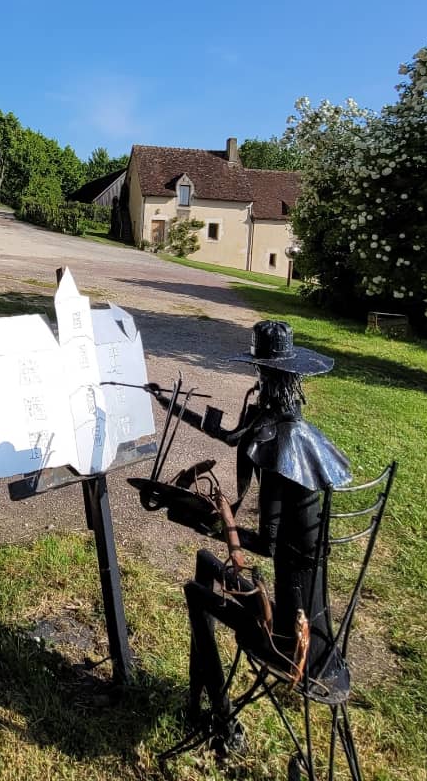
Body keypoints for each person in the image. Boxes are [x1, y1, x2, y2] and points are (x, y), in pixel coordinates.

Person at [158, 321, 353, 753]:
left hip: (288, 640)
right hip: (325, 642)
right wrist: (172, 404)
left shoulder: (276, 446)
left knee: (195, 591)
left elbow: (265, 543)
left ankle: (222, 723)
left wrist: (211, 523)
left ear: (263, 378)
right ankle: (198, 708)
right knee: (206, 565)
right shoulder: (303, 434)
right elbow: (231, 433)